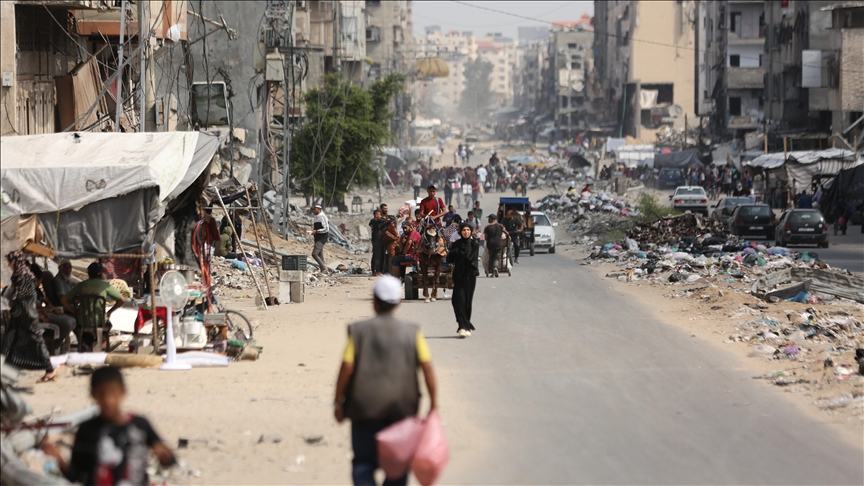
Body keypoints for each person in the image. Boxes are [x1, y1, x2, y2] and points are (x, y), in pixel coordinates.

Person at [333, 276, 438, 486]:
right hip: (402, 408)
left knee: (363, 463)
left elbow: (347, 367)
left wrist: (338, 402)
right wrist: (433, 405)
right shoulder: (412, 332)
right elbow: (427, 368)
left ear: (374, 300)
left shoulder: (359, 330)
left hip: (364, 408)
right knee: (398, 464)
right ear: (399, 302)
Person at [41, 366, 175, 485]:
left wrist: (165, 456)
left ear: (123, 392)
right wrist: (58, 459)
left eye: (113, 393)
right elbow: (76, 476)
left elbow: (169, 460)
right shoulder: (87, 430)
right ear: (93, 394)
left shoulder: (140, 425)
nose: (108, 400)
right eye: (102, 394)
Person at [2, 251, 57, 382]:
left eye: (10, 262)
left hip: (27, 315)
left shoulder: (23, 276)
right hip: (19, 315)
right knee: (11, 341)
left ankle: (50, 370)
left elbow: (23, 296)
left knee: (37, 341)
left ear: (16, 262)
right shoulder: (19, 275)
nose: (9, 265)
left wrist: (10, 297)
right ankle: (7, 373)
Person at [31, 264, 76, 352]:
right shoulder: (26, 290)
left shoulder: (36, 289)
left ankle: (50, 343)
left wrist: (52, 308)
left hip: (43, 312)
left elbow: (45, 300)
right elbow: (32, 305)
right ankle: (50, 345)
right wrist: (44, 310)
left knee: (72, 321)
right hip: (35, 315)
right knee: (67, 323)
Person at [449, 223, 479, 338]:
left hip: (470, 276)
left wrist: (463, 256)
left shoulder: (474, 244)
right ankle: (462, 324)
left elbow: (473, 259)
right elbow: (449, 258)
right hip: (459, 275)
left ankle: (465, 327)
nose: (466, 232)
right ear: (460, 232)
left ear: (471, 231)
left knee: (467, 301)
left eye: (468, 230)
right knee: (457, 300)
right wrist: (454, 252)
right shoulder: (456, 244)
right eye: (464, 230)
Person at [311, 204, 329, 275]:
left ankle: (324, 268)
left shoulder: (322, 217)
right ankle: (323, 271)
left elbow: (326, 229)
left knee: (314, 254)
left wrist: (317, 231)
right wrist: (313, 232)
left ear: (318, 209)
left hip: (322, 238)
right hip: (317, 238)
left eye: (314, 209)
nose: (313, 211)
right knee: (320, 254)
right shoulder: (316, 218)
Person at [369, 209, 386, 276]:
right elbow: (382, 221)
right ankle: (376, 270)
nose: (380, 216)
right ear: (376, 215)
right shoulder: (373, 221)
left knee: (379, 256)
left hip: (380, 240)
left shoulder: (378, 222)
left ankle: (378, 270)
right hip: (376, 240)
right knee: (377, 256)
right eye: (379, 214)